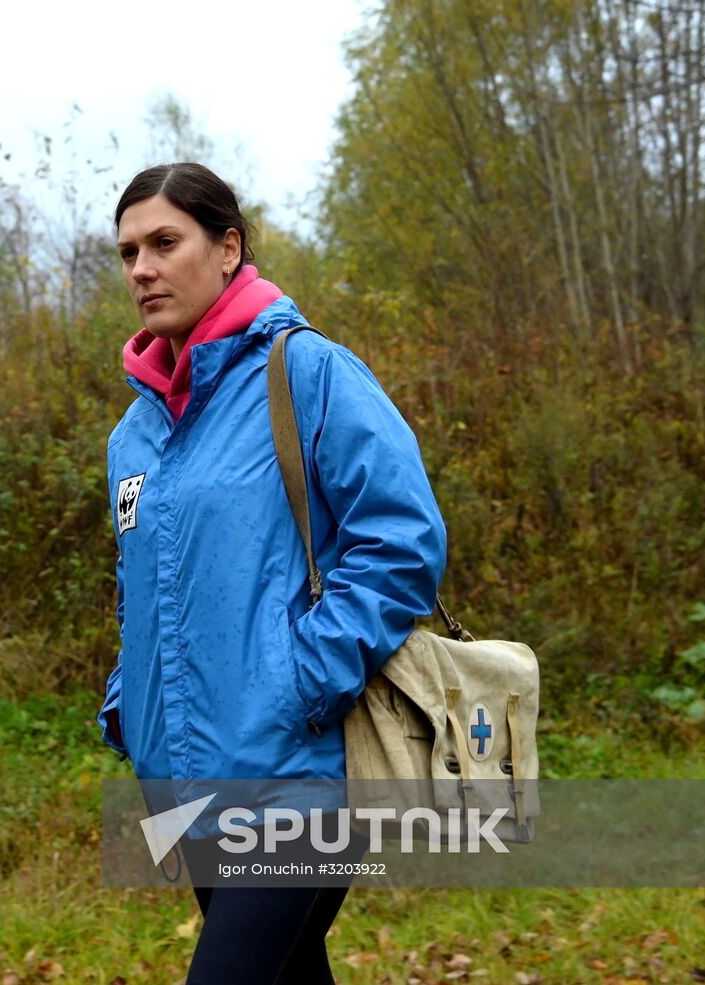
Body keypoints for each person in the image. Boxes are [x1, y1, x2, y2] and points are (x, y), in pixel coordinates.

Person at [97, 163, 447, 984]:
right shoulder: (134, 434)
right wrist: (130, 700)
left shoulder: (306, 373)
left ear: (228, 249)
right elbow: (140, 586)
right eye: (128, 252)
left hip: (297, 771)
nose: (142, 268)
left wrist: (301, 677)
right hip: (185, 776)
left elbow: (403, 539)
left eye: (164, 242)